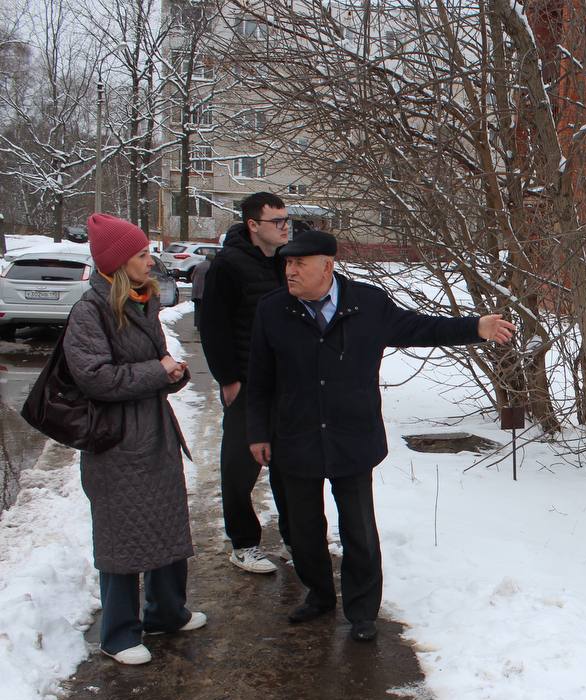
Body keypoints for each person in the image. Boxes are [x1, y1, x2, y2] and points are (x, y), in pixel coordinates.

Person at [246, 231, 515, 641]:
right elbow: (259, 378)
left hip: (352, 435)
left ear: (327, 266)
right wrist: (258, 432)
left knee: (360, 530)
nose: (290, 271)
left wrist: (475, 327)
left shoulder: (366, 304)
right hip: (294, 437)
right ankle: (319, 595)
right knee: (302, 530)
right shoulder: (273, 309)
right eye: (287, 263)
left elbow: (419, 328)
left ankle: (362, 611)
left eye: (300, 263)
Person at [63, 213, 205, 665]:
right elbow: (95, 379)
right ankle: (119, 633)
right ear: (120, 262)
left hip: (155, 435)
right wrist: (155, 371)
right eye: (142, 255)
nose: (151, 261)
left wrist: (172, 373)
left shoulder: (143, 302)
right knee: (122, 537)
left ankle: (166, 612)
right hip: (116, 443)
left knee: (166, 525)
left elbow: (153, 365)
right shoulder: (90, 311)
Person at [199, 192, 292, 574]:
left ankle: (294, 537)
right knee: (240, 467)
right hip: (246, 383)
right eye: (278, 222)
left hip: (285, 383)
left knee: (288, 465)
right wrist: (229, 379)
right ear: (254, 225)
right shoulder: (227, 266)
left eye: (288, 220)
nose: (286, 227)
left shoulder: (287, 261)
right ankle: (243, 543)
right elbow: (212, 326)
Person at [189, 257, 211, 328]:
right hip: (205, 292)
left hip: (196, 291)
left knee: (197, 308)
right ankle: (204, 325)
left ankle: (198, 324)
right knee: (206, 309)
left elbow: (192, 277)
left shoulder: (198, 265)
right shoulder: (211, 266)